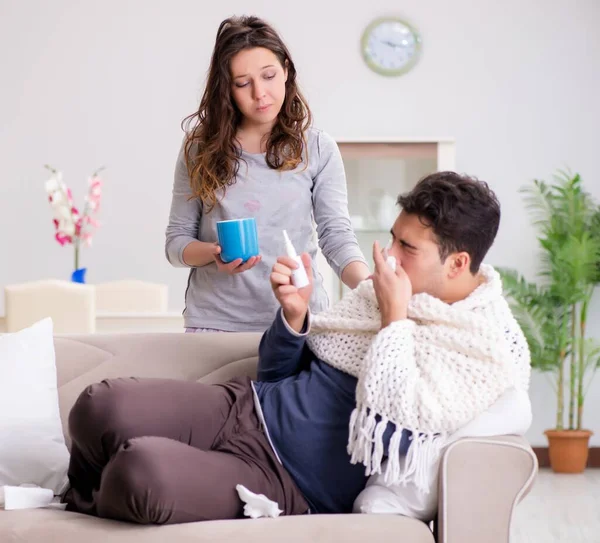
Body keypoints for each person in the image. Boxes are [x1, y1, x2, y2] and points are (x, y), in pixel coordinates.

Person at [63, 172, 531, 524]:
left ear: (458, 263)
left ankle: (90, 493)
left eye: (406, 247)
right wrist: (294, 315)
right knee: (99, 405)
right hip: (246, 405)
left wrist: (395, 320)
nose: (387, 256)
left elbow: (400, 419)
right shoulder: (379, 291)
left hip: (285, 481)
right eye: (392, 237)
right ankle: (85, 489)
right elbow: (276, 375)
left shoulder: (481, 347)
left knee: (139, 475)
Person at [165, 15, 369, 332]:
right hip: (215, 324)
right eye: (243, 83)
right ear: (228, 90)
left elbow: (337, 237)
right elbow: (176, 245)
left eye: (269, 76)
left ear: (286, 70)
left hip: (298, 319)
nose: (260, 93)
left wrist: (371, 287)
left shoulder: (317, 148)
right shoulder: (198, 149)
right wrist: (213, 254)